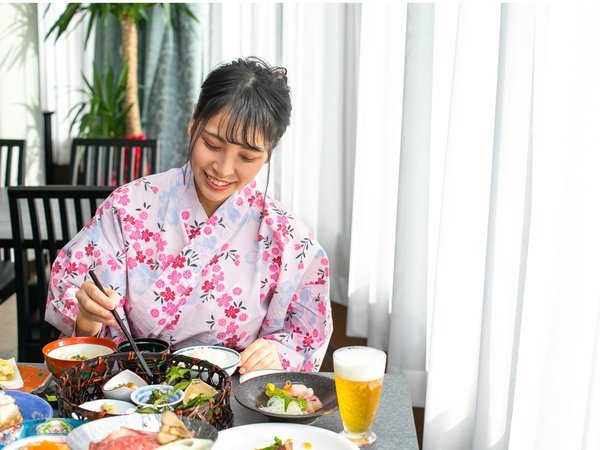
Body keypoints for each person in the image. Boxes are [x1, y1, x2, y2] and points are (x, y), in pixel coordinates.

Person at [45, 57, 333, 374]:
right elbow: (77, 311)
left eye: (247, 156)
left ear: (269, 154)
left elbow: (302, 341)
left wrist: (276, 354)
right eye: (212, 144)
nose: (223, 169)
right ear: (193, 121)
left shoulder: (289, 240)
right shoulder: (128, 207)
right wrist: (87, 318)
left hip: (231, 402)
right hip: (128, 391)